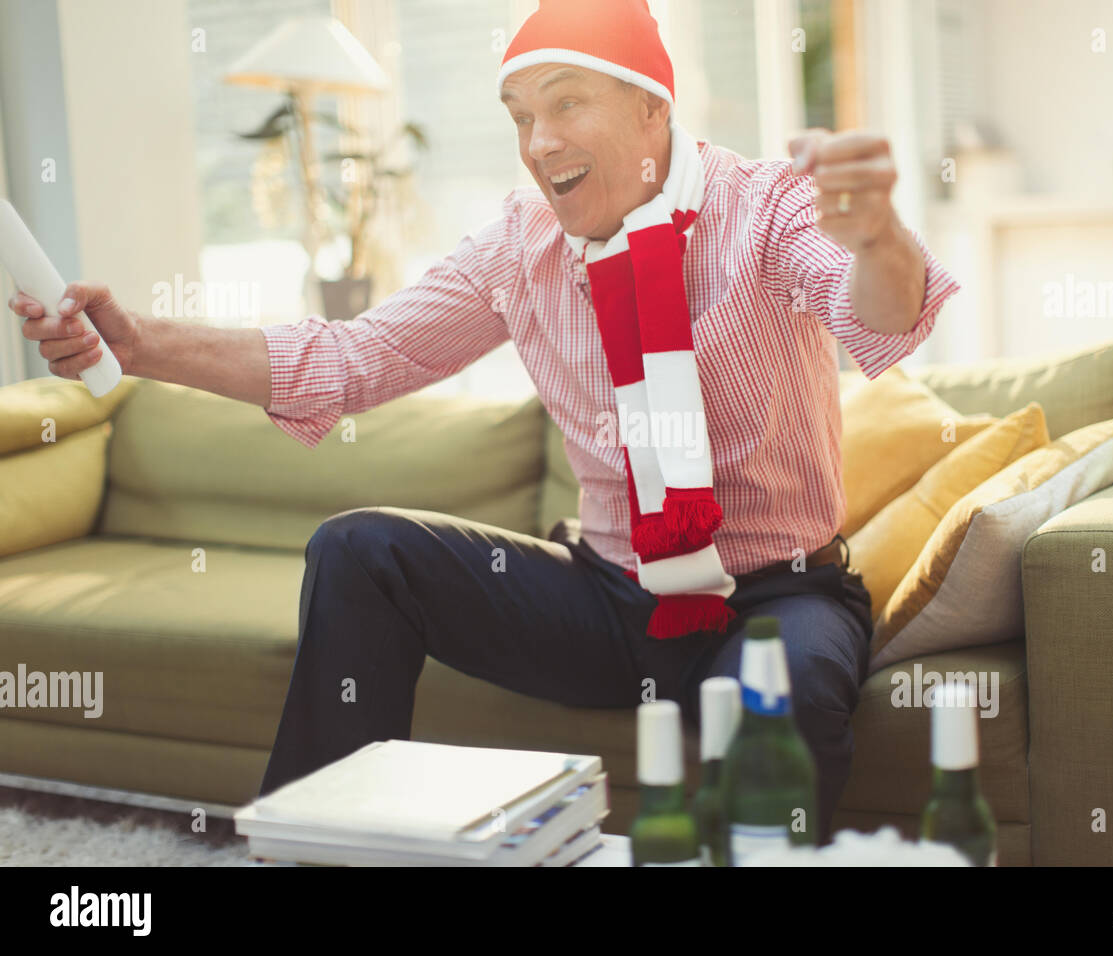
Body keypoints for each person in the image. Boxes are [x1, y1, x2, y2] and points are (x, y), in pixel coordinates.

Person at [9, 0, 958, 842]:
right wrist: (138, 346)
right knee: (361, 551)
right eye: (520, 117)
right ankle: (325, 848)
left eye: (566, 103)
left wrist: (876, 233)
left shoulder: (766, 211)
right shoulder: (520, 245)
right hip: (613, 598)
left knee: (776, 709)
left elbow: (877, 312)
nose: (539, 141)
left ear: (652, 109)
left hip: (775, 596)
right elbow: (351, 359)